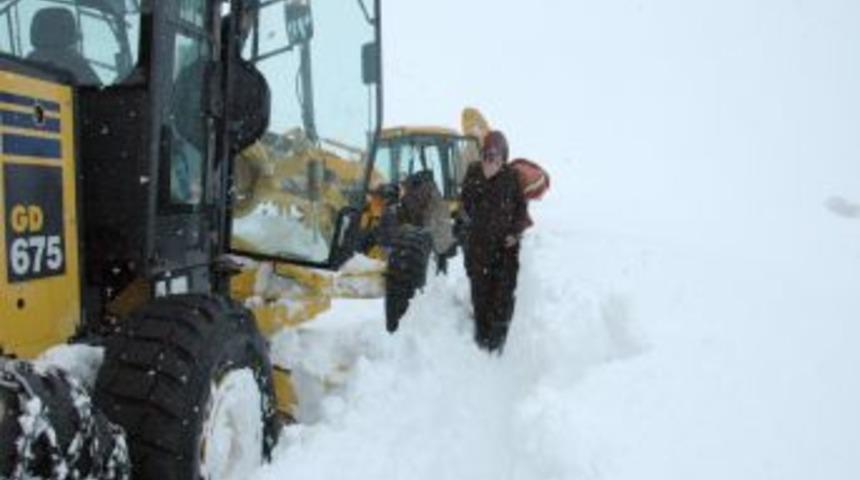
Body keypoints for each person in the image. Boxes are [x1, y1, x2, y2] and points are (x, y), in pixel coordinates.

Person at [460, 130, 528, 353]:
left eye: (496, 157)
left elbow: (521, 210)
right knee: (480, 298)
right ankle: (481, 346)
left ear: (504, 157)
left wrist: (515, 233)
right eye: (487, 156)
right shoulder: (473, 173)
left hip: (504, 251)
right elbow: (466, 205)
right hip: (478, 249)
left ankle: (497, 347)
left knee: (501, 299)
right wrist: (483, 183)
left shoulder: (512, 178)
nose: (490, 161)